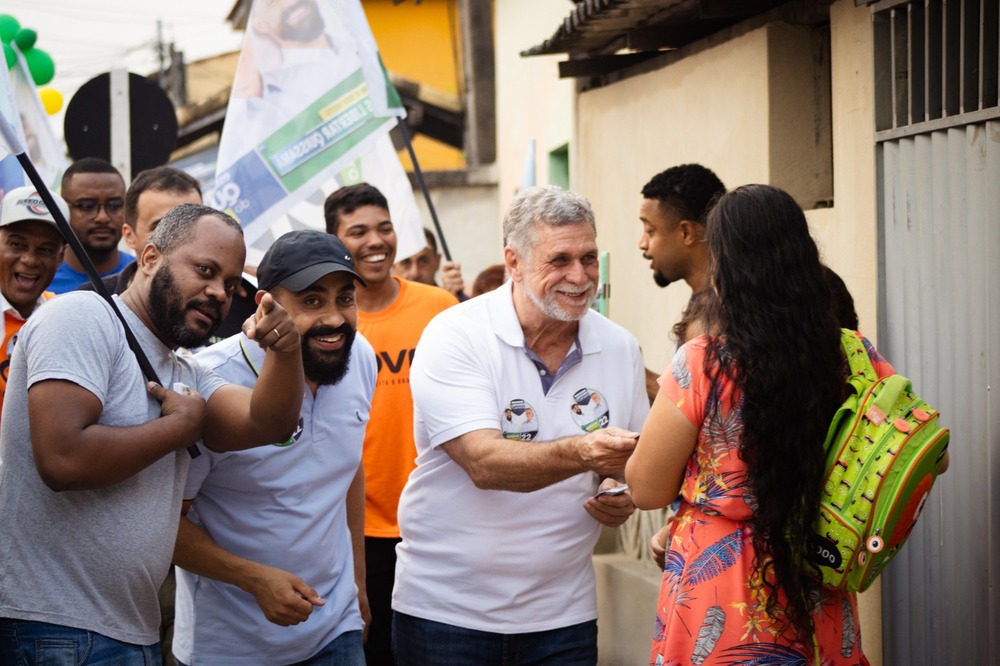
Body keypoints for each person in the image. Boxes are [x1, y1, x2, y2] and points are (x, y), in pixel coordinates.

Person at [0, 203, 304, 664]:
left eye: (229, 282)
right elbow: (63, 460)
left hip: (125, 630)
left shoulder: (186, 369)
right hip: (57, 629)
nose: (218, 292)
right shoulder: (83, 317)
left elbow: (268, 423)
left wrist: (286, 350)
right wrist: (178, 426)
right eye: (204, 270)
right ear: (148, 259)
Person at [625, 184, 895, 665]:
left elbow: (645, 488)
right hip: (818, 580)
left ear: (725, 266)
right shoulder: (854, 355)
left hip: (722, 590)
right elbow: (916, 452)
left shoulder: (703, 363)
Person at [392, 185, 649, 665]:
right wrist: (585, 452)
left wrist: (621, 486)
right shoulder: (456, 335)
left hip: (563, 616)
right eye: (560, 260)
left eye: (589, 258)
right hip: (447, 616)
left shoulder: (619, 348)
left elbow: (636, 460)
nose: (580, 276)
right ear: (513, 261)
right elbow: (485, 464)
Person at [173, 230, 374, 666]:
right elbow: (163, 522)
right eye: (312, 301)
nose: (336, 319)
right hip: (230, 647)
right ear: (265, 303)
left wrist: (357, 582)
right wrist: (253, 579)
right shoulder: (209, 382)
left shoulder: (360, 358)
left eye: (345, 298)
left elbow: (347, 469)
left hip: (334, 626)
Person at [325, 182, 457, 665]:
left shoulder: (440, 308)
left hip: (437, 521)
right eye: (358, 232)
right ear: (335, 242)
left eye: (384, 228)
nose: (376, 242)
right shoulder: (329, 323)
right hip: (358, 529)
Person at [81, 166, 257, 346]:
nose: (176, 235)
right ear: (129, 236)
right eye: (161, 225)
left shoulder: (245, 307)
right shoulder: (87, 306)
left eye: (191, 222)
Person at [638, 163, 726, 401]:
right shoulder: (709, 299)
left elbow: (702, 408)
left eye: (650, 230)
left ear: (686, 233)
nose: (642, 244)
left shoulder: (717, 316)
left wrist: (637, 374)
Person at [0, 187, 67, 418]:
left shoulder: (65, 320)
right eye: (17, 244)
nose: (29, 260)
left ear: (60, 257)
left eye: (45, 249)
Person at [49, 158, 133, 293]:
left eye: (114, 205)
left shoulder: (143, 277)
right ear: (63, 209)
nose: (102, 217)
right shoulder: (41, 282)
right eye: (88, 206)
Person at [392, 227, 467, 299]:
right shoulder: (383, 310)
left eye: (423, 261)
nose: (415, 273)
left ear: (437, 261)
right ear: (393, 265)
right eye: (406, 263)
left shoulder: (460, 305)